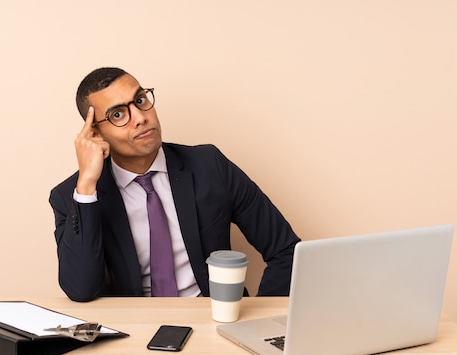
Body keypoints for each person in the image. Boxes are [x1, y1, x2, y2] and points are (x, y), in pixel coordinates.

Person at [49, 67, 300, 302]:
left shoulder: (209, 166)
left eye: (140, 101)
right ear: (95, 133)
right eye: (118, 114)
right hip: (133, 332)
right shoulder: (71, 195)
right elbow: (81, 290)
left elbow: (287, 251)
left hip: (212, 320)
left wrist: (255, 324)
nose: (139, 118)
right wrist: (87, 186)